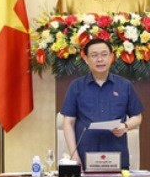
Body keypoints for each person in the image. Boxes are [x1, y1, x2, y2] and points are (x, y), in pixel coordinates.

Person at [61, 38, 143, 169]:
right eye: (94, 55)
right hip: (84, 157)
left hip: (117, 157)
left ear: (111, 57)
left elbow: (137, 117)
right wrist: (74, 155)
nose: (100, 59)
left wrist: (125, 126)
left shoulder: (124, 85)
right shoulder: (76, 86)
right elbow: (68, 122)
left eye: (104, 54)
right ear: (86, 59)